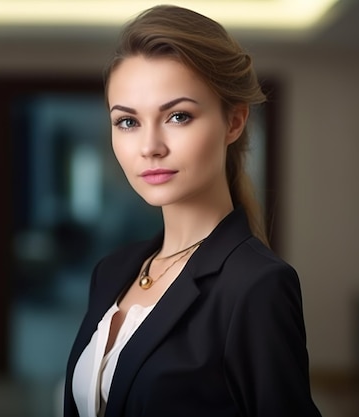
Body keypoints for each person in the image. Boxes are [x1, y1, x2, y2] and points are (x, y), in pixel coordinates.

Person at [64, 5, 321, 417]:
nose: (150, 146)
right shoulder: (112, 271)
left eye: (178, 116)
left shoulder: (257, 286)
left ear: (234, 122)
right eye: (127, 122)